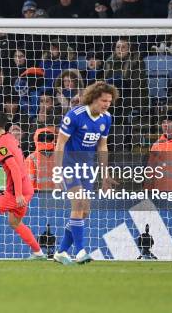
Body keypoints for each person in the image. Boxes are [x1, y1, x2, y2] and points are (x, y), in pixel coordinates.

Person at [53, 81, 118, 265]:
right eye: (104, 100)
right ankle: (80, 251)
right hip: (69, 164)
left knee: (84, 211)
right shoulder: (75, 115)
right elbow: (60, 144)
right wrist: (57, 171)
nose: (106, 104)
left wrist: (105, 174)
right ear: (93, 99)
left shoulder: (106, 118)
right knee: (79, 202)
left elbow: (102, 147)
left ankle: (61, 251)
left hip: (88, 167)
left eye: (109, 101)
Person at [0, 111, 45, 260]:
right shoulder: (8, 139)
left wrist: (17, 195)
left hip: (17, 191)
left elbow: (15, 169)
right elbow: (1, 154)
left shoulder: (2, 143)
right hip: (27, 188)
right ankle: (39, 253)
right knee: (15, 222)